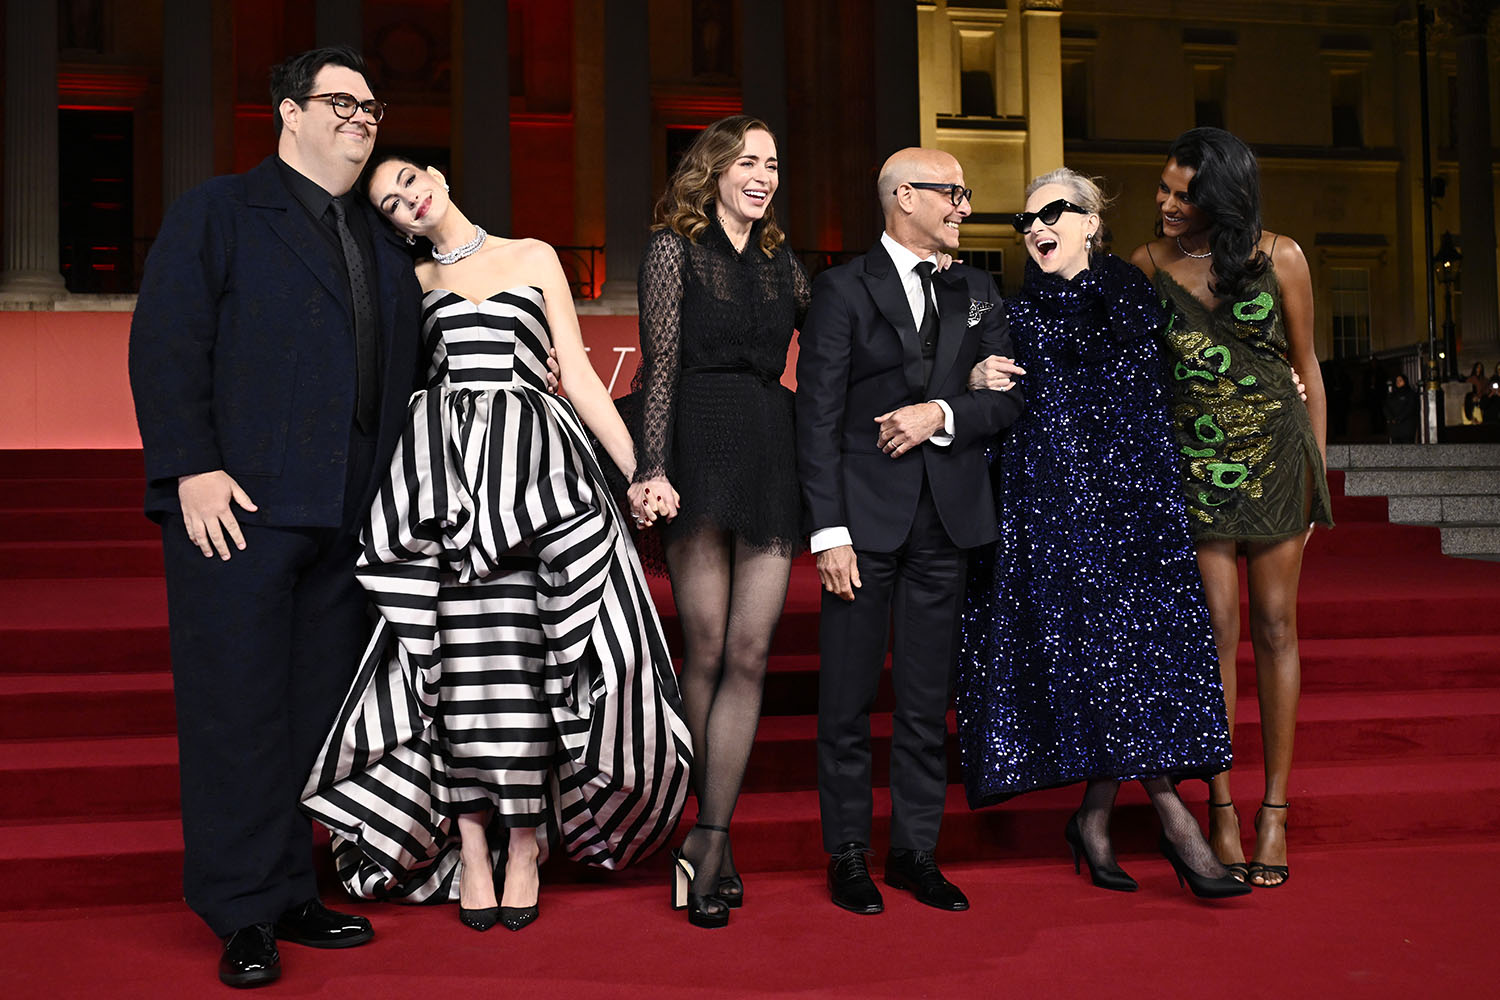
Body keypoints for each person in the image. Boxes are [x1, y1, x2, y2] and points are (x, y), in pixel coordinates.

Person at [300, 154, 693, 932]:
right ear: (389, 224)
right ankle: (473, 846)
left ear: (439, 174)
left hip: (538, 485)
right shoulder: (409, 285)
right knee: (459, 668)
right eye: (388, 203)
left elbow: (578, 375)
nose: (406, 198)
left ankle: (524, 844)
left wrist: (641, 471)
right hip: (446, 489)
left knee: (527, 665)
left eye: (408, 179)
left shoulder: (535, 255)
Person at [128, 47, 424, 988]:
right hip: (239, 510)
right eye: (341, 100)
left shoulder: (384, 243)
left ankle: (293, 887)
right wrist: (191, 466)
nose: (362, 115)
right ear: (287, 114)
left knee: (312, 721)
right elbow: (168, 341)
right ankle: (240, 907)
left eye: (372, 105)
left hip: (345, 518)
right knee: (235, 715)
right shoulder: (218, 211)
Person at [956, 169, 1247, 899]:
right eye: (1026, 220)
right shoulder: (1011, 318)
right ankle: (1178, 825)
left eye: (1054, 212)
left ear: (1091, 222)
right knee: (1104, 660)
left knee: (1132, 662)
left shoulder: (1134, 298)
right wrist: (974, 380)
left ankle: (1091, 817)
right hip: (1058, 519)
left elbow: (1176, 391)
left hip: (1138, 513)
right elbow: (987, 413)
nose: (1037, 227)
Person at [797, 147, 1024, 916]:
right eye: (952, 193)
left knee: (927, 703)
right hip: (860, 527)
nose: (964, 207)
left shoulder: (980, 289)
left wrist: (945, 411)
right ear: (905, 198)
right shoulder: (839, 289)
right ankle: (850, 857)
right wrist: (827, 531)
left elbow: (1008, 402)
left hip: (948, 524)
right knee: (848, 701)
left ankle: (915, 854)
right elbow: (818, 417)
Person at [1131, 127, 1333, 888]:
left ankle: (1273, 810)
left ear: (1224, 195)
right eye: (1164, 188)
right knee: (1215, 629)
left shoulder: (1281, 257)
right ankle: (1218, 802)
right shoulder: (1147, 266)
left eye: (1186, 193)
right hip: (1194, 462)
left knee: (1277, 627)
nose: (1169, 203)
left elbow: (1308, 367)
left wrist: (1317, 479)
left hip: (1278, 460)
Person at [627, 115, 810, 928]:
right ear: (714, 169)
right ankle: (712, 839)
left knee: (750, 647)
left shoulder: (783, 263)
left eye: (772, 162)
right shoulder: (674, 248)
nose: (763, 174)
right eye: (748, 160)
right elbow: (659, 364)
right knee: (702, 644)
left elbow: (842, 338)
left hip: (773, 450)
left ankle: (708, 834)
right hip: (696, 447)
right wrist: (650, 466)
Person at [1384, 373, 1419, 443]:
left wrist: (1398, 419)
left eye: (1400, 380)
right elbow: (1385, 406)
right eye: (1397, 380)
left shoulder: (1410, 393)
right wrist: (1391, 418)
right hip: (1395, 429)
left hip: (1406, 427)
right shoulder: (1392, 394)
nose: (1398, 382)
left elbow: (1410, 408)